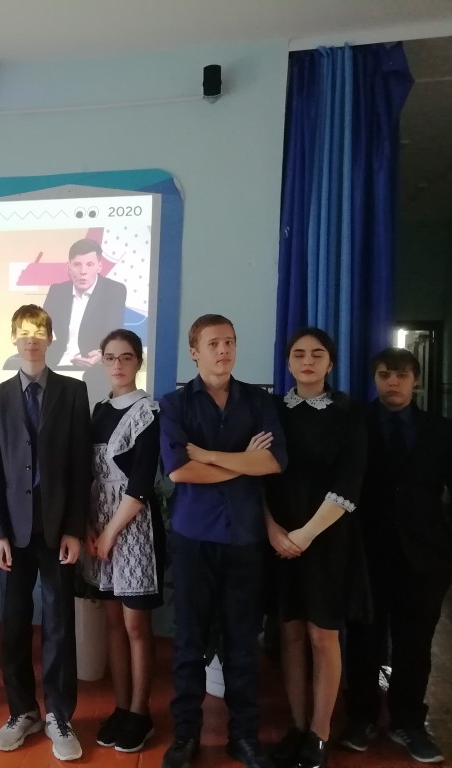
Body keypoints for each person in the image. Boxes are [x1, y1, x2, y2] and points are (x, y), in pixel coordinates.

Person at [340, 347, 452, 765]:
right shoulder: (356, 424)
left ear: (415, 380)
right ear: (375, 379)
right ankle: (361, 718)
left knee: (415, 644)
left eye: (401, 375)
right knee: (364, 642)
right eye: (385, 374)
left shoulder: (441, 431)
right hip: (366, 554)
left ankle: (408, 722)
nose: (393, 382)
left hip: (425, 558)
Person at [158, 313, 286, 768]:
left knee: (242, 643)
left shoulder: (258, 400)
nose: (224, 350)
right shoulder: (175, 404)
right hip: (193, 537)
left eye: (229, 341)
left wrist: (211, 456)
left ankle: (244, 738)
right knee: (189, 642)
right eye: (213, 343)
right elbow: (179, 471)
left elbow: (272, 462)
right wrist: (241, 462)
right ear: (195, 352)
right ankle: (185, 736)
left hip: (245, 539)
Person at [0, 304, 92, 762]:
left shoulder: (73, 391)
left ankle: (59, 716)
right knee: (12, 625)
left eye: (39, 331)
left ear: (51, 338)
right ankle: (22, 711)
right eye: (23, 331)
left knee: (58, 624)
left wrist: (74, 529)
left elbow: (81, 466)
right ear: (13, 338)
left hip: (57, 530)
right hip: (13, 531)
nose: (31, 338)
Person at [262, 329, 369, 768]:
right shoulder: (271, 411)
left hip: (327, 538)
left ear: (330, 363)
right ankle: (298, 725)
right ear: (288, 363)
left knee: (322, 635)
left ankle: (320, 733)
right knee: (289, 631)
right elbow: (259, 475)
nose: (307, 361)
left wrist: (304, 535)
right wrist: (273, 530)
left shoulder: (349, 414)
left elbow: (349, 482)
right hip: (279, 538)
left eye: (317, 354)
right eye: (299, 354)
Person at [79, 329, 163, 754]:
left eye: (126, 357)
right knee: (112, 621)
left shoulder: (149, 412)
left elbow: (141, 482)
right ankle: (121, 706)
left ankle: (140, 712)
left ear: (138, 362)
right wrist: (90, 527)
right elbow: (87, 476)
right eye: (110, 357)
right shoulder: (98, 411)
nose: (117, 365)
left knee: (135, 625)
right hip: (99, 527)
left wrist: (111, 532)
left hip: (133, 527)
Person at [42, 239, 127, 370]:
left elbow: (115, 333)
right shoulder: (57, 291)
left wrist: (102, 354)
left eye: (89, 264)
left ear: (99, 266)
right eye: (77, 264)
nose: (83, 271)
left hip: (94, 368)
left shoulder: (113, 290)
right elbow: (40, 327)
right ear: (69, 266)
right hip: (58, 365)